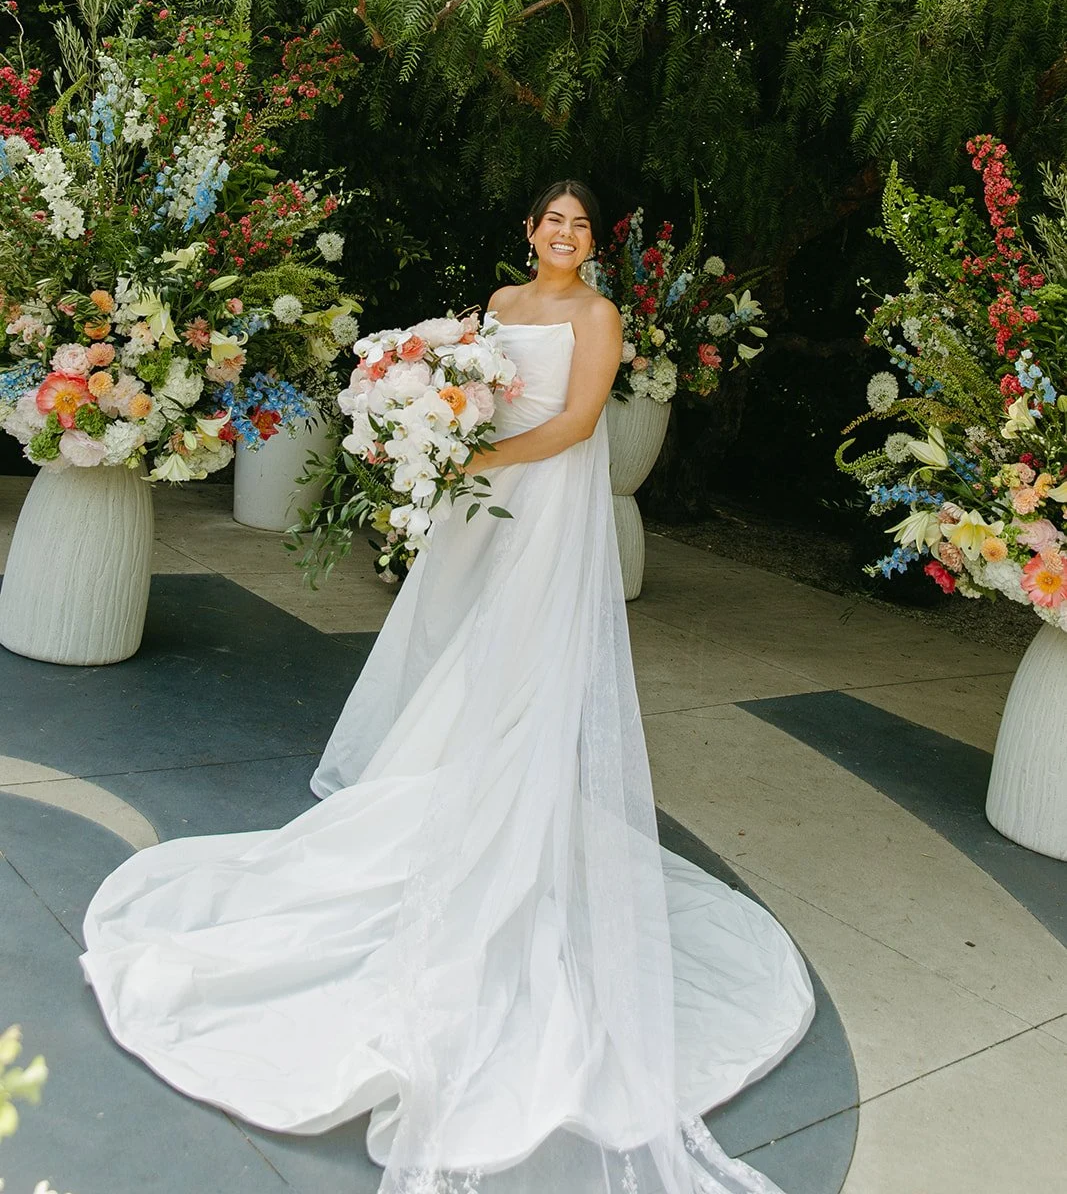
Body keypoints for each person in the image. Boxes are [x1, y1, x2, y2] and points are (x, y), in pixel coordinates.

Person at [82, 179, 814, 1194]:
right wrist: (424, 427)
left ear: (592, 243)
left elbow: (576, 422)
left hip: (542, 502)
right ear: (526, 231)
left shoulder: (595, 316)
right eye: (550, 221)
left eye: (579, 225)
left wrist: (482, 453)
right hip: (477, 499)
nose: (563, 236)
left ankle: (507, 812)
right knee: (453, 653)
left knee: (518, 660)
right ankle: (448, 791)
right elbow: (459, 380)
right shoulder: (501, 305)